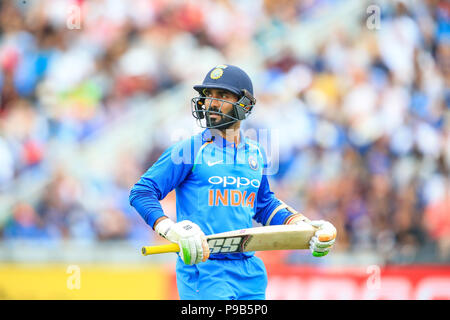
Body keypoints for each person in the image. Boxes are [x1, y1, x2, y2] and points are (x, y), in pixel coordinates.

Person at [129, 64, 337, 300]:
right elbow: (142, 192)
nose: (212, 103)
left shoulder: (255, 153)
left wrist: (302, 224)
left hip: (250, 272)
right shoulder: (189, 149)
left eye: (223, 96)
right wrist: (171, 229)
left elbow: (263, 204)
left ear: (245, 105)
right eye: (208, 96)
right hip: (205, 270)